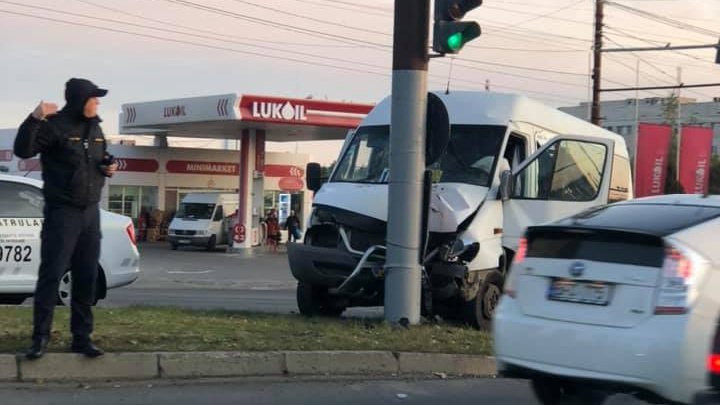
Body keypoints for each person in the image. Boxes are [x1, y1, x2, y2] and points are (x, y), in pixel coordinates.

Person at [14, 78, 116, 359]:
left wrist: (108, 166)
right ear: (80, 99)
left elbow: (98, 158)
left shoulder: (96, 127)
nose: (97, 103)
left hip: (90, 213)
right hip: (62, 212)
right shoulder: (54, 125)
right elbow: (24, 150)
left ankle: (82, 338)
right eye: (94, 98)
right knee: (52, 275)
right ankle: (40, 338)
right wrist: (35, 118)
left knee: (86, 277)